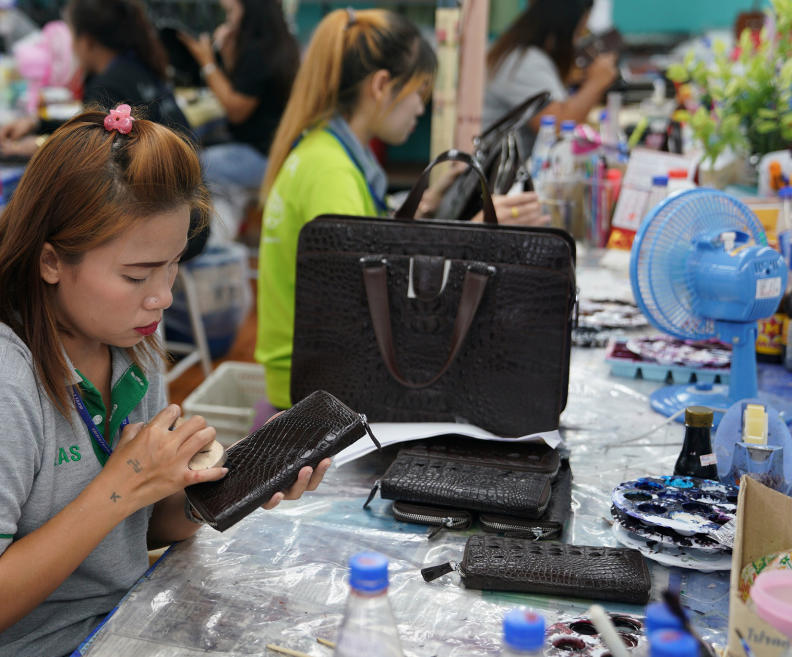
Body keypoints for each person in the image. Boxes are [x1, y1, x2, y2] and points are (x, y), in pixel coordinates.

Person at [0, 108, 329, 657]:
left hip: (113, 630)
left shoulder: (127, 345)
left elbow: (134, 535)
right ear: (50, 261)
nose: (162, 295)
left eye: (172, 265)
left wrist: (220, 488)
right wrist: (122, 486)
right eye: (137, 275)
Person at [254, 9, 546, 411]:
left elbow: (359, 260)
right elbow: (374, 304)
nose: (420, 110)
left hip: (309, 377)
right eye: (419, 94)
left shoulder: (322, 152)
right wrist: (477, 233)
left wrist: (420, 206)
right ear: (380, 86)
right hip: (314, 393)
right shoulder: (332, 174)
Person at [0, 0, 191, 158]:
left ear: (87, 41)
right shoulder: (138, 63)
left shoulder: (107, 87)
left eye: (72, 37)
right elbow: (95, 124)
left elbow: (91, 150)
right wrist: (37, 124)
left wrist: (40, 146)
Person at [177, 0, 299, 189]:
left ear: (249, 11)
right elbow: (244, 88)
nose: (228, 21)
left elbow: (236, 111)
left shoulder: (258, 52)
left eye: (231, 12)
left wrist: (207, 61)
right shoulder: (278, 42)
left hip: (262, 156)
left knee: (185, 165)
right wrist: (227, 56)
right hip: (275, 148)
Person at [482, 0, 618, 157]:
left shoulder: (519, 54)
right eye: (578, 32)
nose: (576, 42)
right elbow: (559, 128)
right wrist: (596, 83)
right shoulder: (524, 62)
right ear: (562, 28)